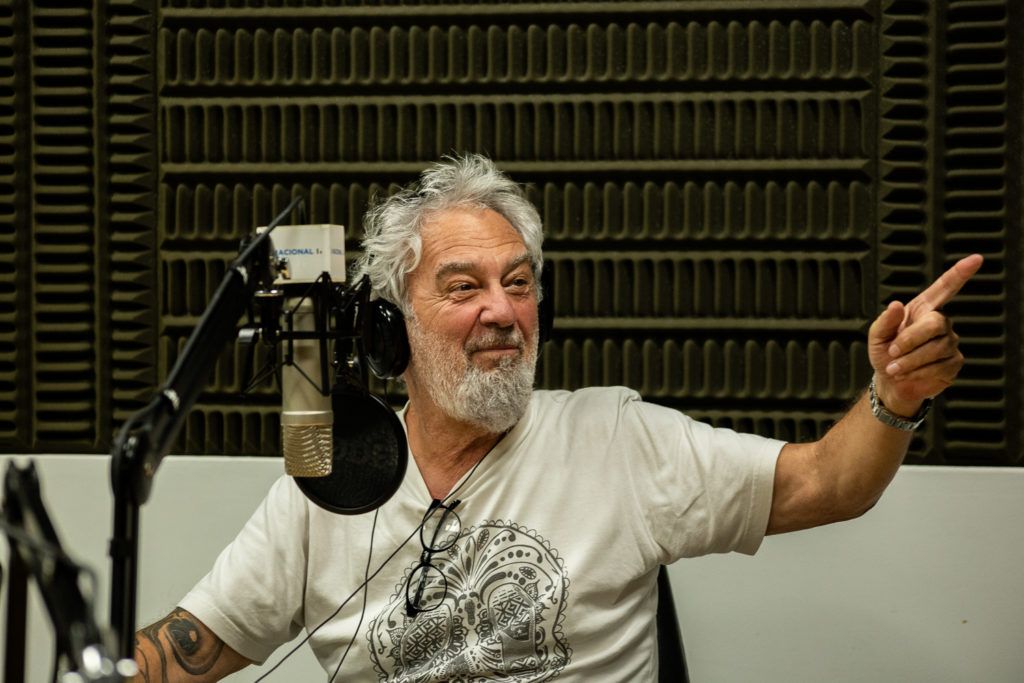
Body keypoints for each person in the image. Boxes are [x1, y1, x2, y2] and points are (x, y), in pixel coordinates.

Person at [132, 154, 982, 682]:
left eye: (519, 283)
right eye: (464, 287)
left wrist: (894, 394)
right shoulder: (330, 480)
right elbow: (185, 649)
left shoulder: (619, 440)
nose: (503, 311)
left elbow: (829, 481)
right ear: (391, 327)